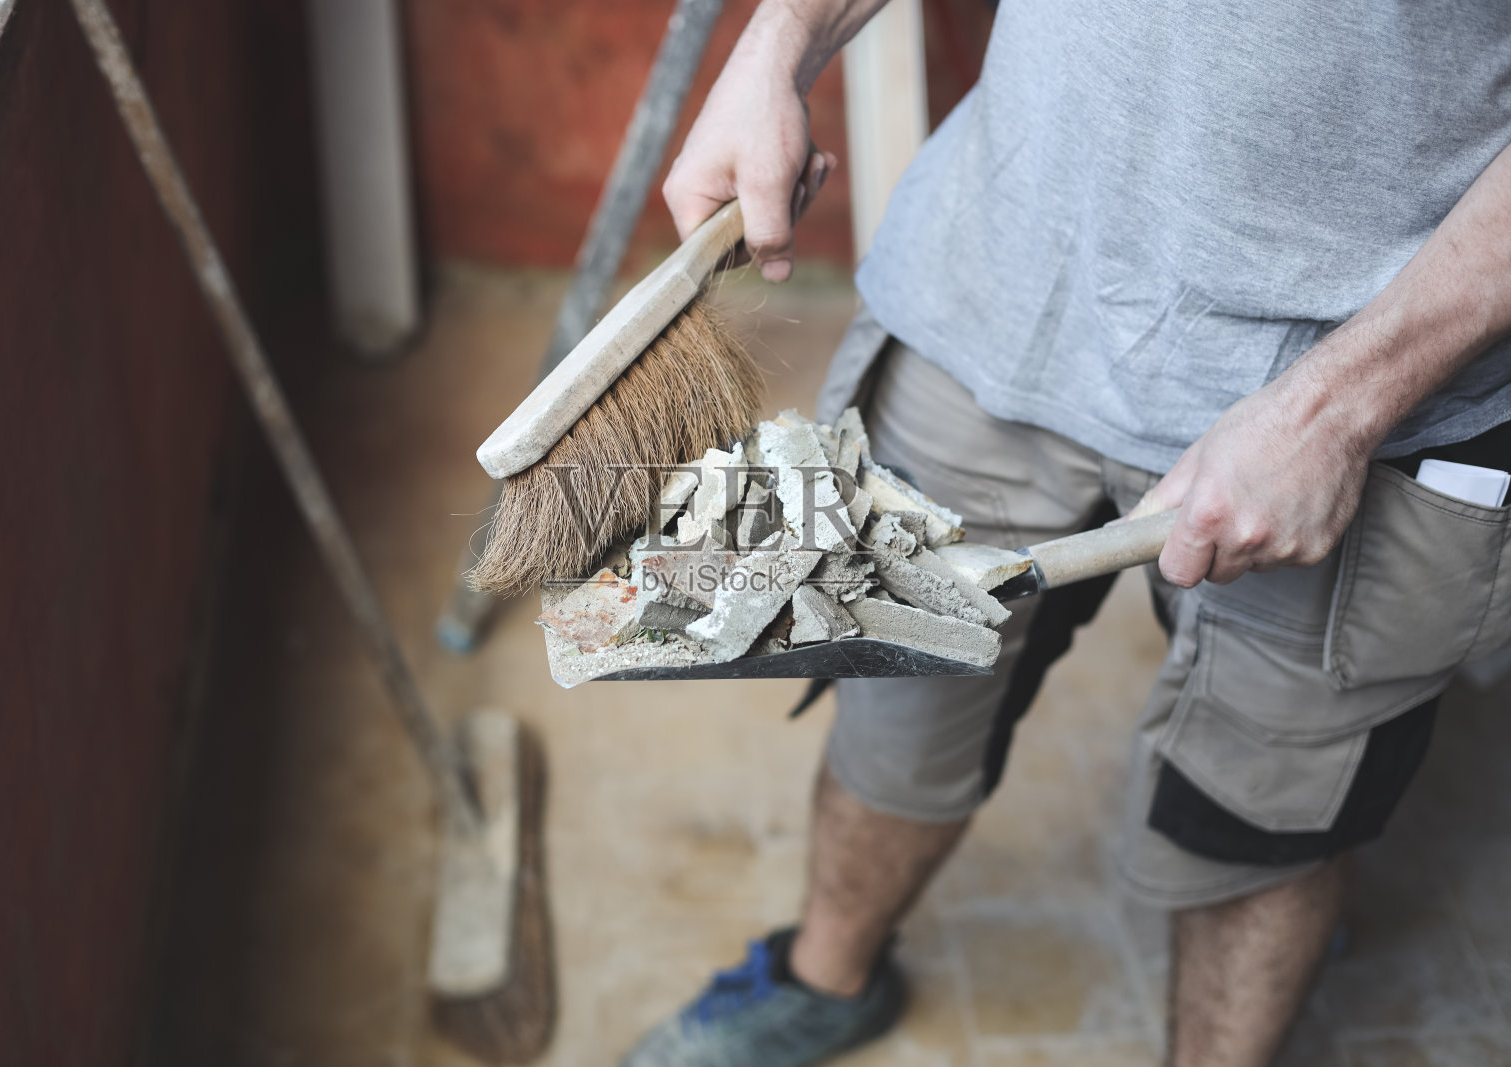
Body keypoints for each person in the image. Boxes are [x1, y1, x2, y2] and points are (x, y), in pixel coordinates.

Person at [619, 2, 1511, 1066]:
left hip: (1362, 380)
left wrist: (1338, 410)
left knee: (1264, 817)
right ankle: (824, 978)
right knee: (895, 712)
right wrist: (777, 48)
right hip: (993, 290)